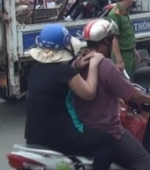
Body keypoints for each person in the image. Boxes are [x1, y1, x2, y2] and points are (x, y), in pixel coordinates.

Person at [25, 24, 127, 170]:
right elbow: (89, 93)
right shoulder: (66, 72)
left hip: (33, 136)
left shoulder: (35, 70)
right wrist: (93, 64)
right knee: (109, 144)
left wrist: (76, 68)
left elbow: (55, 83)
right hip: (60, 137)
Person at [72, 19, 150, 168]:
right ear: (106, 41)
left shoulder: (77, 62)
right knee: (144, 161)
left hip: (83, 131)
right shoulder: (105, 64)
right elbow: (131, 94)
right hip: (108, 131)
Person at [108, 0, 139, 81]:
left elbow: (127, 35)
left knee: (130, 82)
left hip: (130, 54)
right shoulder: (114, 14)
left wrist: (134, 51)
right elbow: (114, 38)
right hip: (123, 55)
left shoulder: (124, 12)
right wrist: (119, 60)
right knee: (124, 84)